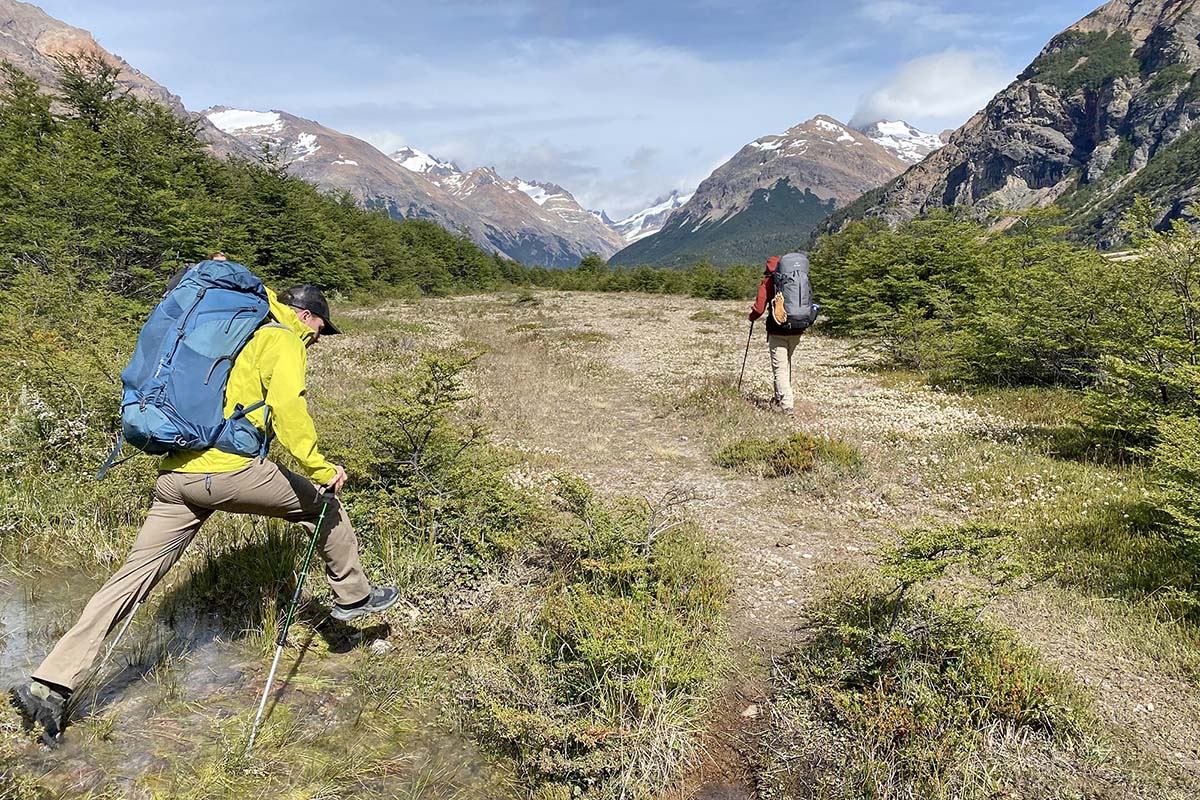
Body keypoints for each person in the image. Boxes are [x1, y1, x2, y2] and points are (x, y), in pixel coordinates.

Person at [10, 283, 398, 747]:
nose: (319, 336)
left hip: (177, 477)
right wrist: (320, 467)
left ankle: (49, 684)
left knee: (130, 580)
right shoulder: (281, 338)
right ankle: (354, 599)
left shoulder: (232, 334)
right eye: (319, 326)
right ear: (303, 316)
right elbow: (289, 407)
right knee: (325, 506)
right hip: (231, 472)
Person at [748, 255, 811, 415]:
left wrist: (752, 317)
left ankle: (786, 405)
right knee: (786, 364)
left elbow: (759, 308)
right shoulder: (796, 278)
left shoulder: (768, 283)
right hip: (797, 328)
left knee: (780, 368)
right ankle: (778, 398)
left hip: (777, 330)